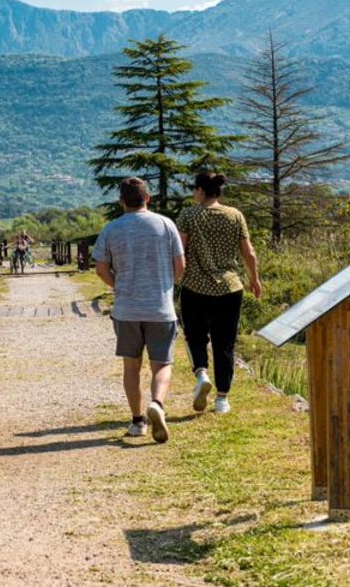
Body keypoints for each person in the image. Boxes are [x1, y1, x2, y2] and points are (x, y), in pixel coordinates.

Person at [94, 178, 185, 443]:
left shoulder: (112, 229)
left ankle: (137, 421)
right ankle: (157, 403)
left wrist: (118, 285)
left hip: (127, 309)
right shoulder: (166, 224)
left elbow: (101, 268)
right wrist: (166, 285)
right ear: (148, 198)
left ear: (121, 201)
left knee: (131, 367)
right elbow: (180, 265)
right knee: (162, 364)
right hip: (160, 308)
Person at [177, 172, 263, 415]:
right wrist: (254, 279)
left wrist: (175, 278)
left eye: (194, 189)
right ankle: (222, 398)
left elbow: (179, 250)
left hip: (195, 287)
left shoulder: (188, 215)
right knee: (225, 343)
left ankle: (202, 374)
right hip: (230, 288)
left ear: (201, 191)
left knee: (195, 336)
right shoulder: (235, 215)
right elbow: (249, 253)